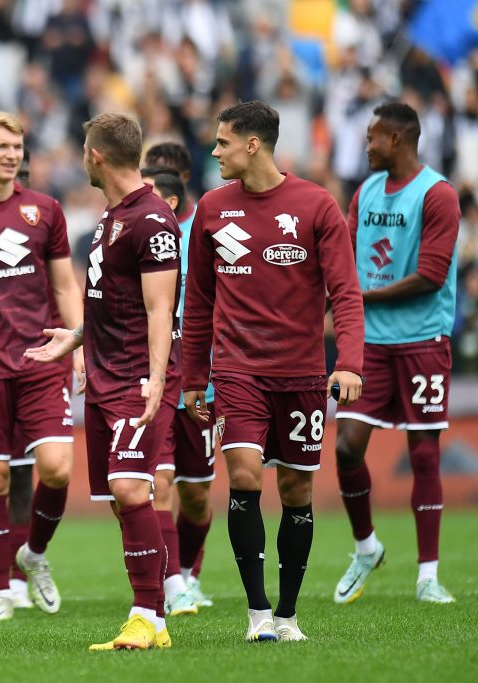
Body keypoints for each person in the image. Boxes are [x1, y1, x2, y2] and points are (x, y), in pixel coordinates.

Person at [181, 101, 365, 642]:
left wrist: (349, 362)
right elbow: (198, 305)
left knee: (296, 490)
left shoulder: (315, 206)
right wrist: (195, 378)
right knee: (242, 475)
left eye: (222, 142)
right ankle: (257, 612)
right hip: (237, 371)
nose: (214, 152)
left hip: (303, 374)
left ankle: (287, 614)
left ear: (252, 144)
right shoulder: (212, 210)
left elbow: (346, 294)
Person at [26, 112, 180, 651]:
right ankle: (156, 622)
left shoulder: (153, 221)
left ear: (95, 156)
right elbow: (114, 304)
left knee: (130, 487)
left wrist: (157, 378)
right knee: (121, 499)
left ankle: (143, 613)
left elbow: (160, 309)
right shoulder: (112, 218)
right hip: (105, 375)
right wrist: (78, 337)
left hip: (138, 376)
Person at [0, 111, 83, 622]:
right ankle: (3, 590)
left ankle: (36, 555)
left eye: (18, 146)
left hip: (42, 359)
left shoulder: (45, 210)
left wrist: (78, 343)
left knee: (56, 467)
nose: (12, 154)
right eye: (2, 145)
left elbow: (66, 285)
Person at [333, 101, 460, 605]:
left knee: (424, 455)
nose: (366, 146)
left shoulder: (438, 195)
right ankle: (367, 547)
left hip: (423, 339)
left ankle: (427, 575)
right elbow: (342, 254)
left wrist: (360, 296)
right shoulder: (364, 193)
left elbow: (431, 276)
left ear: (399, 140)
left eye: (373, 138)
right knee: (345, 448)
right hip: (369, 345)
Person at [142, 143, 215, 610]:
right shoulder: (138, 232)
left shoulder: (206, 231)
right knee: (161, 482)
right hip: (157, 376)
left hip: (202, 377)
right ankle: (173, 584)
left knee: (198, 493)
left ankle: (188, 572)